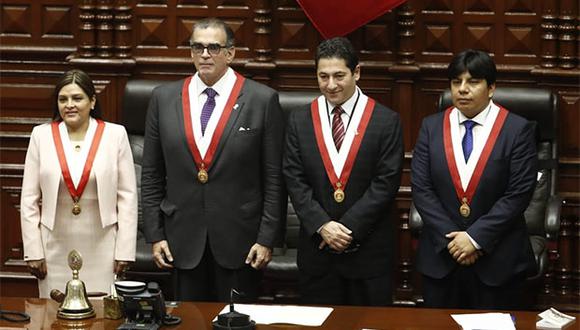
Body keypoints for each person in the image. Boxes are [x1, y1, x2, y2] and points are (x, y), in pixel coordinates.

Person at [141, 17, 286, 302]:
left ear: (230, 53)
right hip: (181, 237)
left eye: (214, 48)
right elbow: (151, 174)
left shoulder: (261, 100)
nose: (205, 54)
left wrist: (266, 238)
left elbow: (273, 178)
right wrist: (155, 235)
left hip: (241, 240)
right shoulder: (163, 98)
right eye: (198, 47)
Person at [411, 49, 537, 309]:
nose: (462, 89)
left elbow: (518, 194)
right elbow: (422, 189)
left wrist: (475, 238)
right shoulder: (431, 127)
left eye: (473, 82)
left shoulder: (517, 129)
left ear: (491, 88)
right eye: (456, 82)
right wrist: (454, 242)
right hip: (442, 258)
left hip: (498, 260)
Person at [283, 37, 403, 306]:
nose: (331, 85)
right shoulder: (299, 119)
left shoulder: (386, 120)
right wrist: (323, 226)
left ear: (356, 72)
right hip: (318, 253)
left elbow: (386, 183)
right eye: (323, 76)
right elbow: (294, 178)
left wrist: (347, 229)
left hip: (368, 255)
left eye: (339, 76)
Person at [20, 69, 138, 298]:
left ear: (92, 101)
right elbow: (28, 199)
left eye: (77, 98)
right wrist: (33, 250)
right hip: (53, 245)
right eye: (63, 99)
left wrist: (125, 250)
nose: (69, 105)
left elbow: (127, 197)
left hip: (103, 245)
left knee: (102, 314)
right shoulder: (41, 136)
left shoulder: (115, 135)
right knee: (54, 314)